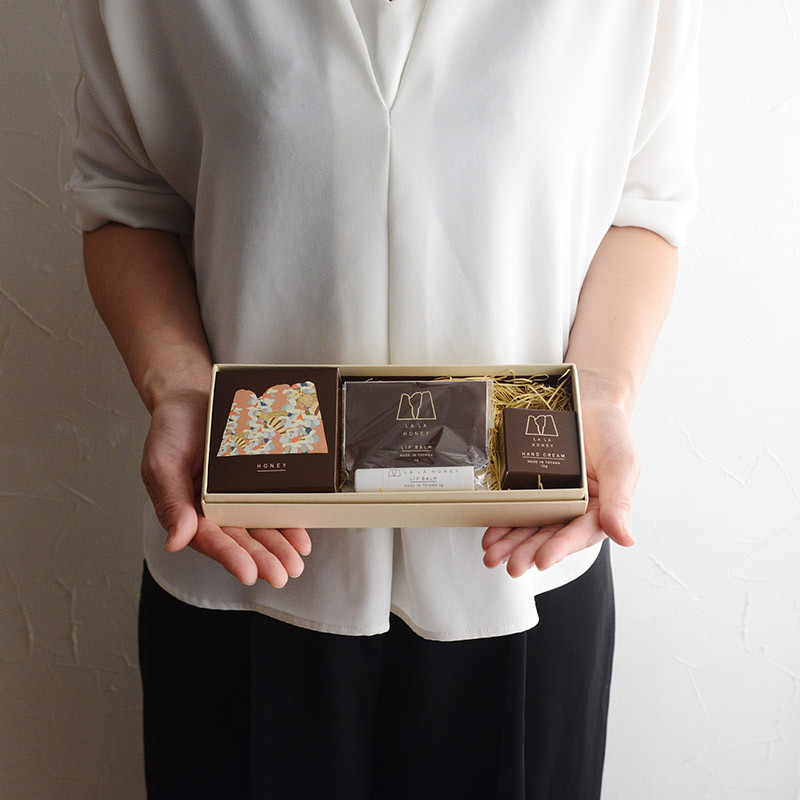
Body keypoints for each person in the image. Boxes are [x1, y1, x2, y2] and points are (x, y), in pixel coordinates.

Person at [66, 1, 701, 797]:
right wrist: (178, 385)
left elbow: (643, 206)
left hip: (520, 558)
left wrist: (602, 392)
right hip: (245, 552)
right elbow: (126, 196)